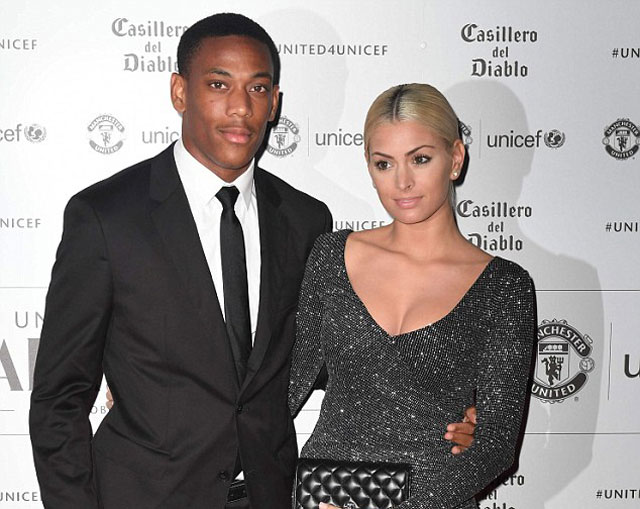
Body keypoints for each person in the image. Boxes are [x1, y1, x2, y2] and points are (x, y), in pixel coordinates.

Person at [29, 13, 475, 509]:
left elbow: (328, 361)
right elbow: (59, 398)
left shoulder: (306, 221)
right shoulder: (107, 217)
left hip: (275, 495)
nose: (241, 107)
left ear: (275, 102)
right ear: (179, 91)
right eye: (219, 84)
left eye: (258, 88)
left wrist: (449, 408)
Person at [288, 83, 535, 509]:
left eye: (420, 159)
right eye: (384, 163)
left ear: (455, 159)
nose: (402, 182)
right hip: (324, 496)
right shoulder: (331, 257)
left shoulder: (504, 287)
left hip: (435, 498)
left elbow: (496, 446)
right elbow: (286, 386)